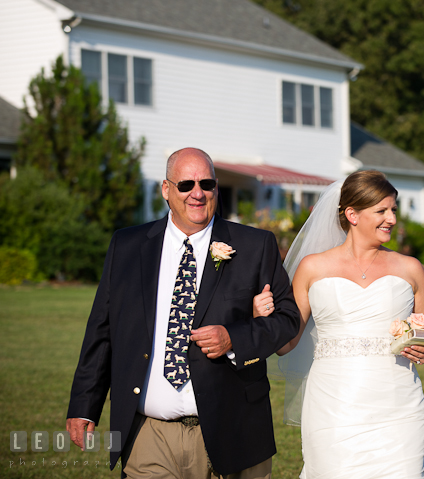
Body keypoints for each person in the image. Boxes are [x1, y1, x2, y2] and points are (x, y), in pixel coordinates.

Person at [66, 148, 301, 478]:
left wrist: (234, 338)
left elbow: (288, 319)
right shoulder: (128, 246)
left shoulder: (255, 245)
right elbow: (103, 330)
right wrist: (83, 404)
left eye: (207, 183)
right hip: (149, 433)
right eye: (186, 184)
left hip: (232, 429)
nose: (198, 193)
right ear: (166, 189)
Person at [264, 170, 424, 478]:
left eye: (393, 210)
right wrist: (264, 314)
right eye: (381, 211)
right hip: (334, 405)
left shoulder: (410, 268)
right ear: (352, 214)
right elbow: (286, 344)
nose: (391, 218)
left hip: (398, 404)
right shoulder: (312, 268)